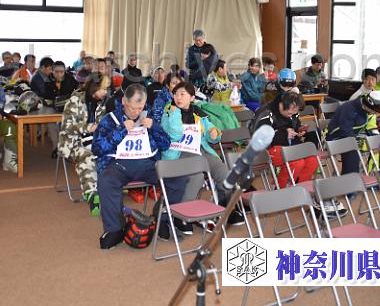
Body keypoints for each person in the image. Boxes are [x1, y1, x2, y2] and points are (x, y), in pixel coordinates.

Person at [92, 84, 186, 249]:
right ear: (123, 101)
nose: (136, 112)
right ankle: (114, 229)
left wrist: (154, 127)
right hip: (118, 165)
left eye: (140, 108)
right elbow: (97, 148)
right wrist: (121, 130)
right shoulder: (110, 119)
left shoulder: (148, 117)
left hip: (147, 164)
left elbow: (165, 144)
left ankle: (161, 218)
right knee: (106, 182)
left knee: (177, 178)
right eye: (132, 108)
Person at [161, 82, 245, 232]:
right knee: (197, 176)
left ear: (192, 98)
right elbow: (175, 134)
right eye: (176, 94)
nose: (178, 97)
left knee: (223, 172)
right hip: (179, 153)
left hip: (200, 151)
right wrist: (175, 113)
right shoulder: (168, 112)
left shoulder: (197, 113)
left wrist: (214, 133)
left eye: (182, 94)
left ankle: (224, 208)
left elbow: (211, 132)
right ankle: (181, 215)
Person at [58, 78, 107, 216]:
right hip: (72, 142)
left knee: (109, 153)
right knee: (87, 156)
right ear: (94, 88)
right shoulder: (75, 101)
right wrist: (88, 127)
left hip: (93, 141)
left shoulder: (102, 104)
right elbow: (67, 127)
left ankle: (106, 189)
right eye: (103, 89)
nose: (105, 92)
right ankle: (91, 195)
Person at [251, 91, 319, 189]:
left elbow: (294, 125)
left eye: (294, 114)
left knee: (312, 161)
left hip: (288, 145)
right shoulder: (265, 113)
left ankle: (298, 189)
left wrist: (298, 130)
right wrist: (284, 134)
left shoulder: (293, 111)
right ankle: (281, 190)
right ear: (281, 105)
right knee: (296, 162)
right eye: (289, 113)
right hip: (267, 149)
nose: (291, 116)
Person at [326, 91, 380, 175]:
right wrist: (360, 143)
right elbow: (345, 131)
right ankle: (350, 179)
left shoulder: (369, 110)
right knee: (352, 152)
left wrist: (376, 140)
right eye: (374, 111)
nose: (375, 113)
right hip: (336, 137)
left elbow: (371, 127)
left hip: (355, 136)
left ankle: (376, 174)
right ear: (368, 104)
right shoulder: (348, 108)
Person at [42, 61, 78, 153]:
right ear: (52, 71)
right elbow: (46, 97)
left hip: (68, 106)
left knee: (71, 121)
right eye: (56, 72)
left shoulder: (70, 79)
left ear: (64, 71)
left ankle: (68, 145)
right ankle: (56, 146)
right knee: (50, 121)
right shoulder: (47, 80)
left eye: (61, 72)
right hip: (53, 106)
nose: (59, 74)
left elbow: (78, 90)